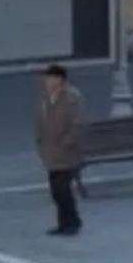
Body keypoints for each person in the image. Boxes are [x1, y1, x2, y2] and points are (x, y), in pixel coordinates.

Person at [36, 61, 86, 238]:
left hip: (66, 152)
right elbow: (40, 122)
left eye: (50, 78)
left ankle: (73, 222)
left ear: (59, 79)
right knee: (56, 190)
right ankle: (63, 223)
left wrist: (67, 142)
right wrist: (40, 143)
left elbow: (78, 124)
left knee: (63, 189)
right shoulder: (45, 98)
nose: (47, 82)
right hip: (50, 151)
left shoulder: (72, 98)